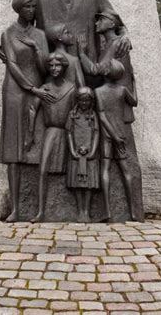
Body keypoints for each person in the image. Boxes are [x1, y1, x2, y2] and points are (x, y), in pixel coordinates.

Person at [0, 0, 56, 222]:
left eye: (34, 7)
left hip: (38, 93)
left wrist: (37, 48)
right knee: (13, 151)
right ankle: (16, 209)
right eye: (28, 7)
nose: (32, 11)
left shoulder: (40, 35)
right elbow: (12, 64)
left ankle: (40, 207)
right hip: (15, 92)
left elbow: (45, 68)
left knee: (38, 147)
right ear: (19, 9)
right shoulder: (8, 34)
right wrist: (32, 88)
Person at [26, 51, 76, 222]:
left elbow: (77, 111)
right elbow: (33, 109)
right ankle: (41, 211)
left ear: (64, 67)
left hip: (67, 132)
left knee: (74, 168)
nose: (54, 68)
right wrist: (31, 133)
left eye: (58, 65)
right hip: (51, 132)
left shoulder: (71, 88)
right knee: (43, 169)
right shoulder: (45, 88)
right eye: (51, 66)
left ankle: (77, 208)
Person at [94, 59, 144, 222]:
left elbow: (101, 116)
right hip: (121, 134)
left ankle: (108, 210)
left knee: (105, 169)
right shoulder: (123, 90)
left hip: (107, 135)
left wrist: (112, 135)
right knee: (125, 170)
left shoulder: (99, 92)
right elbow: (134, 101)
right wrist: (134, 84)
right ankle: (133, 211)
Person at [79, 8, 136, 116]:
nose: (96, 23)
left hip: (117, 106)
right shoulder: (108, 44)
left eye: (101, 20)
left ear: (111, 24)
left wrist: (81, 53)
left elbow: (95, 70)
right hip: (111, 102)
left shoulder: (118, 43)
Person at [65, 87, 100, 222]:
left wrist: (93, 150)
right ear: (77, 100)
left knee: (89, 184)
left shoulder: (93, 116)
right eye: (82, 101)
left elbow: (96, 132)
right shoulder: (72, 115)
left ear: (91, 102)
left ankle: (87, 211)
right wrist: (73, 150)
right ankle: (80, 211)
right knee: (77, 184)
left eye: (87, 101)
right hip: (76, 154)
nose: (84, 103)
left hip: (90, 153)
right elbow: (68, 132)